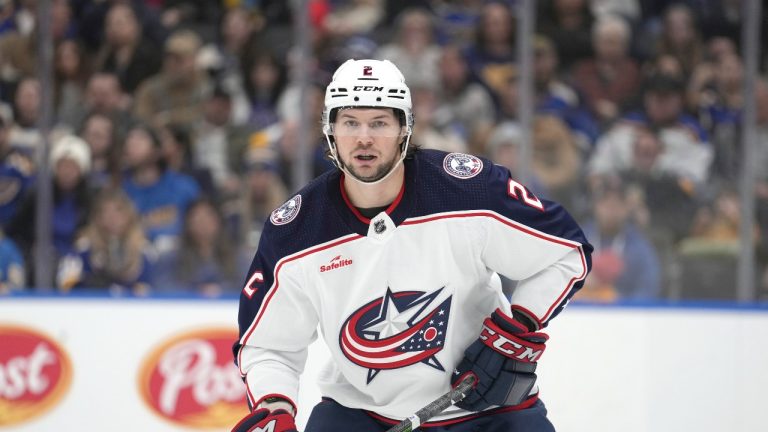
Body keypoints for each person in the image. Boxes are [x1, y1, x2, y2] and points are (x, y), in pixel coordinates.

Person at [232, 59, 592, 432]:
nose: (364, 138)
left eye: (379, 123)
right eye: (350, 123)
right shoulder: (296, 231)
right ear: (330, 131)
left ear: (405, 128)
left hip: (490, 412)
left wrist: (518, 326)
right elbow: (268, 345)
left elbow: (565, 252)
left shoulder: (468, 191)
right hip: (361, 416)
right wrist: (274, 407)